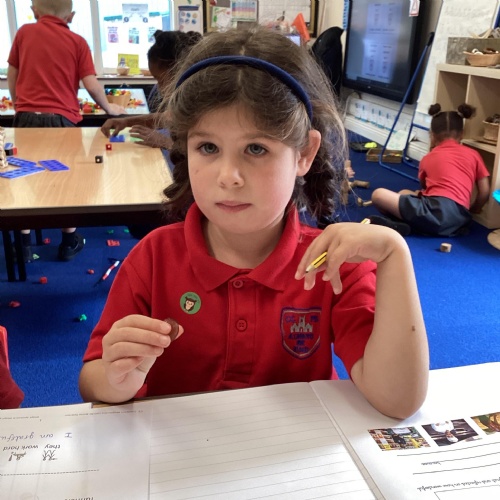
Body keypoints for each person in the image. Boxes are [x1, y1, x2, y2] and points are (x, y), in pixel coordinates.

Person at [79, 27, 428, 420]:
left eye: (256, 148)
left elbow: (397, 400)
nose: (228, 176)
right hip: (178, 453)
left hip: (292, 454)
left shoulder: (335, 264)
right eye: (208, 147)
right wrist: (118, 378)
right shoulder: (154, 257)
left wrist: (395, 256)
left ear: (303, 154)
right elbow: (93, 380)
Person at [7, 0, 125, 261]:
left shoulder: (24, 33)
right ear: (71, 16)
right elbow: (90, 84)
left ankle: (24, 245)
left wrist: (19, 105)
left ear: (34, 11)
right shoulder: (78, 41)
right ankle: (68, 242)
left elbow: (12, 75)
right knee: (65, 181)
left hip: (26, 119)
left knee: (24, 177)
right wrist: (109, 107)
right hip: (61, 121)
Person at [370, 103, 491, 237]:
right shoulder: (474, 154)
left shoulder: (428, 158)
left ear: (432, 136)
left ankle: (404, 224)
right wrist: (474, 209)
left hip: (433, 213)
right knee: (404, 193)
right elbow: (484, 191)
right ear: (462, 134)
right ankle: (426, 227)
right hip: (460, 219)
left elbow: (425, 186)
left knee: (378, 195)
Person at [100, 30, 203, 149]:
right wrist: (125, 121)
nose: (159, 87)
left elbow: (206, 150)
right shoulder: (183, 99)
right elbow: (166, 118)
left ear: (178, 71)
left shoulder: (202, 99)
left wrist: (166, 142)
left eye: (161, 79)